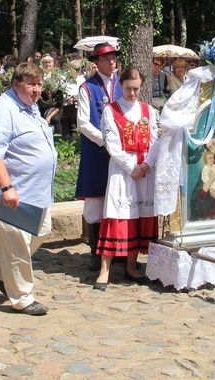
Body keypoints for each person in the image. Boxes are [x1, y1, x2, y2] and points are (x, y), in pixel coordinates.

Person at [0, 62, 56, 315]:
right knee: (16, 244)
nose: (36, 90)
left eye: (39, 84)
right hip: (13, 191)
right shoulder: (3, 110)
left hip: (35, 190)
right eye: (31, 84)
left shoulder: (30, 107)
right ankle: (22, 296)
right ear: (15, 84)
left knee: (42, 230)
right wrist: (7, 187)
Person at [93, 67, 159, 290]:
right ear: (120, 85)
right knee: (117, 215)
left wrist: (147, 163)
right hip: (123, 171)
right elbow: (111, 143)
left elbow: (155, 140)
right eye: (129, 88)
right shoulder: (111, 111)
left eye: (136, 89)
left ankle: (132, 266)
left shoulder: (148, 110)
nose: (132, 93)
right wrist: (132, 167)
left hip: (145, 171)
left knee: (139, 215)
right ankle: (105, 270)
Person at [75, 43, 122, 270]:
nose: (111, 62)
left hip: (121, 153)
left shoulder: (123, 84)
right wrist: (104, 140)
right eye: (107, 59)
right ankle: (95, 250)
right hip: (97, 151)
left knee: (120, 197)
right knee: (95, 200)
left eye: (114, 58)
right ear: (96, 62)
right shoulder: (87, 87)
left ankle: (119, 249)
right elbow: (83, 122)